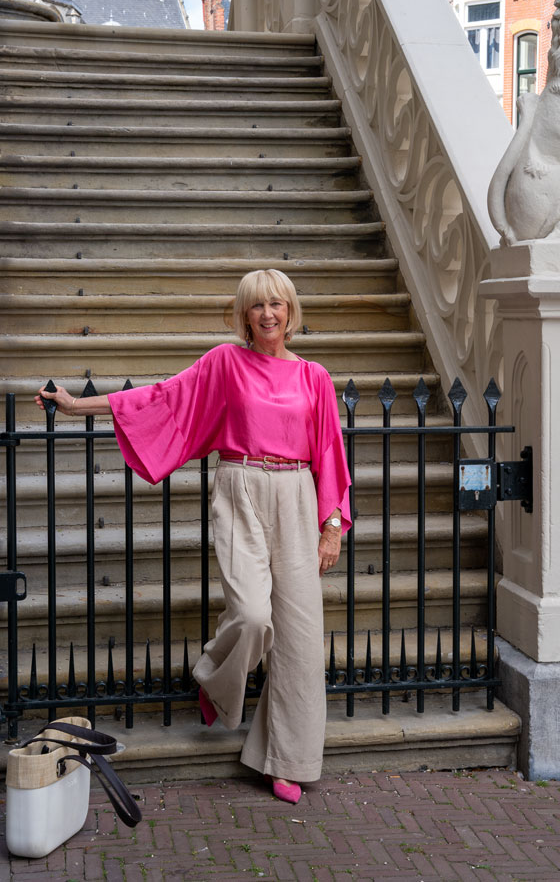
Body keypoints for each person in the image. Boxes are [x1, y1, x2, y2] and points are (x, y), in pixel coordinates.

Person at [35, 269, 351, 805]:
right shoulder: (226, 363)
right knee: (252, 616)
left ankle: (287, 760)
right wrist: (75, 406)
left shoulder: (314, 377)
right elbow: (163, 399)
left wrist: (333, 524)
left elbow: (330, 453)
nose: (267, 314)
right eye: (256, 306)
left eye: (276, 304)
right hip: (241, 486)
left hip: (298, 493)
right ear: (244, 316)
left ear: (291, 312)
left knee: (299, 640)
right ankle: (214, 678)